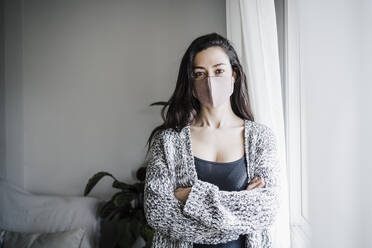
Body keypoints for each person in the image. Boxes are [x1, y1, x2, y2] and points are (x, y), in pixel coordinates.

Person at [144, 32, 280, 248]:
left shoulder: (261, 138)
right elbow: (158, 213)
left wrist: (192, 196)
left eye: (218, 71)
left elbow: (265, 210)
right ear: (190, 82)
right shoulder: (168, 142)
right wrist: (238, 213)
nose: (210, 82)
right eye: (200, 74)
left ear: (234, 75)